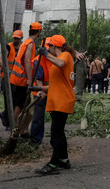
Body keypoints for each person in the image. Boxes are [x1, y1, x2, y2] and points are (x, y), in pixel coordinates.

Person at [35, 34, 78, 175]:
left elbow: (60, 64)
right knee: (58, 132)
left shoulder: (65, 56)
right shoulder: (60, 58)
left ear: (55, 46)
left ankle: (53, 163)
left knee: (56, 133)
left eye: (50, 47)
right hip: (57, 100)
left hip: (62, 101)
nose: (49, 49)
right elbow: (55, 85)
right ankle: (64, 160)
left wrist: (44, 54)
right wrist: (40, 89)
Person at [9, 21, 42, 136]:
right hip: (23, 80)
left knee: (21, 105)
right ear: (38, 32)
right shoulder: (30, 44)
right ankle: (16, 129)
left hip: (17, 79)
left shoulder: (26, 42)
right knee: (22, 106)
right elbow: (28, 61)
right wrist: (29, 79)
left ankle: (20, 129)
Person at [0, 29, 23, 129]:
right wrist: (8, 71)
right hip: (7, 78)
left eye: (18, 38)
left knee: (15, 101)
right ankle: (8, 122)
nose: (16, 40)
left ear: (21, 39)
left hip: (17, 80)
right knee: (9, 100)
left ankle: (5, 116)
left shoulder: (22, 48)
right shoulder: (8, 47)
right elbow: (0, 61)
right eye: (15, 38)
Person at [29, 38, 51, 146]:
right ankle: (35, 140)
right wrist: (41, 90)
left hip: (53, 90)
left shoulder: (56, 58)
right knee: (38, 116)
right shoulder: (39, 59)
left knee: (56, 115)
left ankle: (56, 139)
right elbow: (38, 78)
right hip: (41, 90)